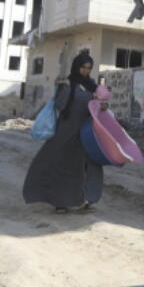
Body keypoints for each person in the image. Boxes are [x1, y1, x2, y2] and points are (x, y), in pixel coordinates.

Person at [22, 51, 105, 214]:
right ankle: (60, 202)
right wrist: (61, 89)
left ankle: (86, 199)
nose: (86, 71)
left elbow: (95, 107)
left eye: (89, 68)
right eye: (83, 67)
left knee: (88, 166)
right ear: (77, 67)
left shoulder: (91, 86)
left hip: (86, 133)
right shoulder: (68, 84)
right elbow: (60, 106)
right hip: (67, 131)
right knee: (62, 165)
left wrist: (102, 106)